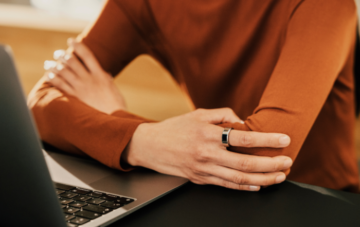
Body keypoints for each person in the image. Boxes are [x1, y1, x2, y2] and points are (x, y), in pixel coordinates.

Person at [28, 0, 359, 192]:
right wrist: (141, 139)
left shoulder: (324, 4)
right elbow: (42, 101)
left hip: (317, 204)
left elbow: (263, 152)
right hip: (208, 193)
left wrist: (119, 122)